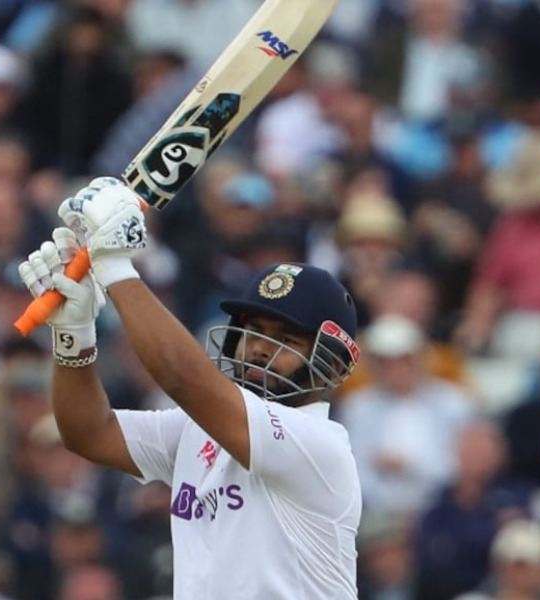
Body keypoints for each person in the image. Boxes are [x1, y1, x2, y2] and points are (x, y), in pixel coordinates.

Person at [19, 177, 363, 599]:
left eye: (286, 341)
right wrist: (75, 334)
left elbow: (183, 379)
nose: (258, 351)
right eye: (253, 332)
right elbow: (88, 432)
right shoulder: (198, 432)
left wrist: (115, 266)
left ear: (331, 361)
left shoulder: (317, 444)